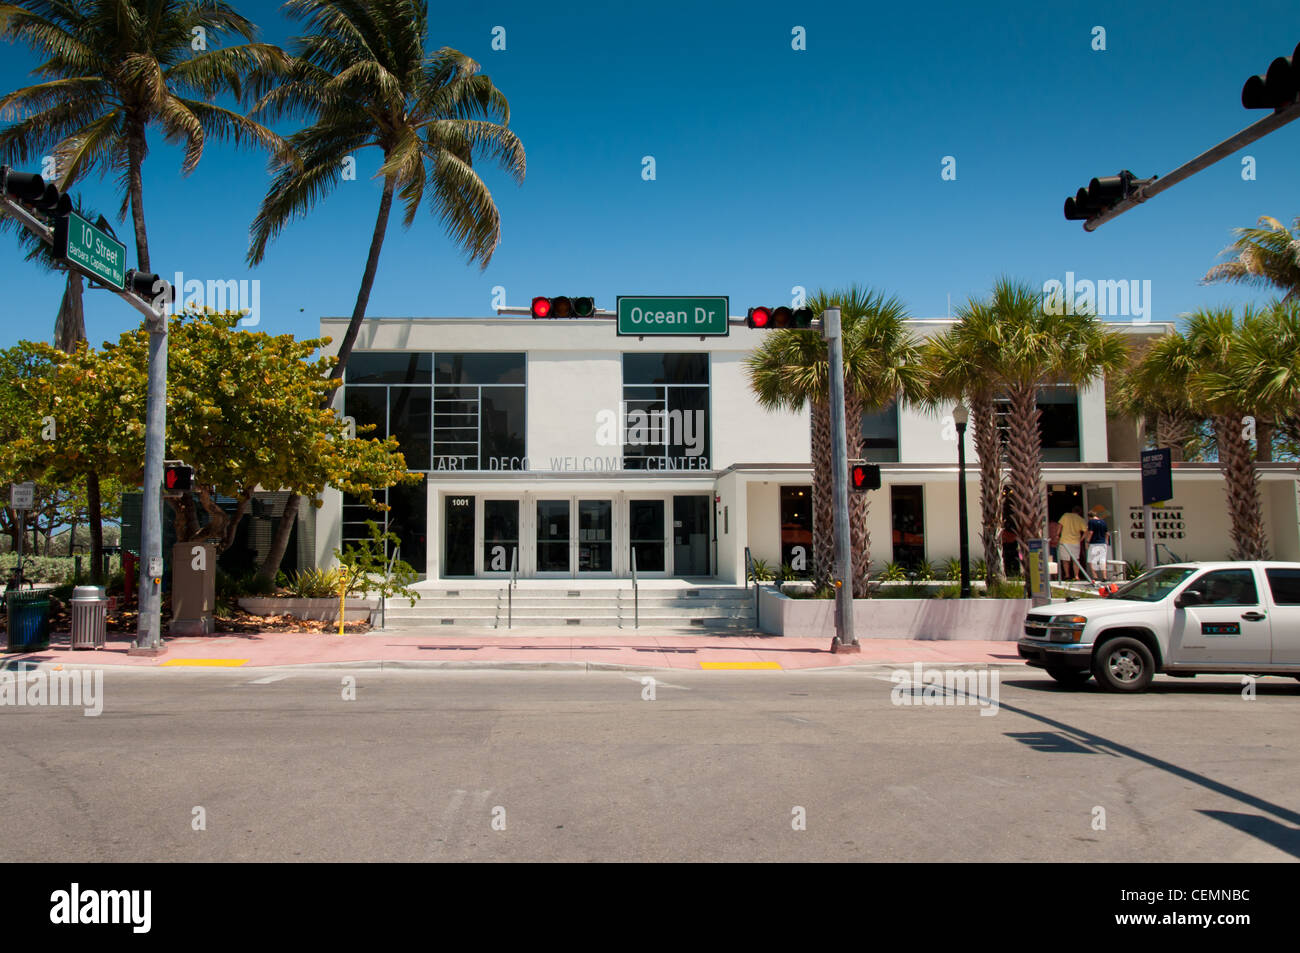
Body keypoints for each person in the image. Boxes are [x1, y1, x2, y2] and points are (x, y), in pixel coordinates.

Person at [1058, 505, 1088, 581]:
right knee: (1076, 560)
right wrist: (1081, 539)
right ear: (1080, 512)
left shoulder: (1066, 515)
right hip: (1075, 541)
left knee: (1065, 560)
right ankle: (1076, 576)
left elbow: (1060, 525)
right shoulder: (1081, 519)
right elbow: (1086, 531)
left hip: (1064, 541)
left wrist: (1057, 535)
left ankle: (1067, 575)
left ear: (1072, 510)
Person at [1087, 505, 1110, 583]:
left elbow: (1090, 532)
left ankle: (1095, 576)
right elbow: (1107, 533)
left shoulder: (1091, 522)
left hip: (1094, 543)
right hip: (1103, 543)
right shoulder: (1103, 522)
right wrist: (1106, 541)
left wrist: (1087, 541)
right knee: (1102, 560)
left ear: (1089, 516)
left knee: (1091, 560)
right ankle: (1104, 576)